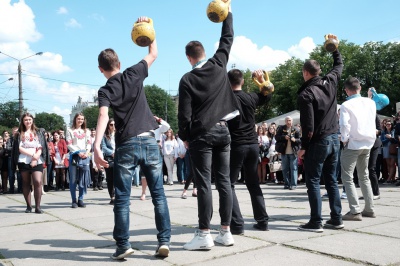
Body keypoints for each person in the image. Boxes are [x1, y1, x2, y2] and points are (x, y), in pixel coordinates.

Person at [94, 17, 171, 259]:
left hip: (126, 144)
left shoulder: (105, 90)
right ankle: (163, 242)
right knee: (158, 194)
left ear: (101, 69)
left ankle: (123, 246)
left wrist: (96, 145)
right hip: (149, 140)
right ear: (119, 62)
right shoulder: (134, 73)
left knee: (122, 199)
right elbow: (154, 52)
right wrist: (149, 28)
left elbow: (104, 116)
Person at [178, 2, 239, 250]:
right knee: (224, 181)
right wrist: (228, 11)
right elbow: (227, 37)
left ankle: (204, 234)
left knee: (204, 184)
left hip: (202, 134)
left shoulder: (187, 79)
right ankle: (225, 231)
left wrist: (185, 137)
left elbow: (184, 114)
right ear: (203, 52)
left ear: (189, 57)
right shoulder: (218, 64)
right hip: (224, 130)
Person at [297, 34, 343, 233]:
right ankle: (336, 217)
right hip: (335, 137)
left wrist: (303, 148)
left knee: (313, 180)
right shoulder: (330, 82)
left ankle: (316, 221)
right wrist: (335, 49)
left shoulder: (306, 94)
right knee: (331, 179)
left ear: (306, 73)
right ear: (319, 71)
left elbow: (308, 126)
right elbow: (339, 65)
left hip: (319, 141)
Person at [227, 68, 273, 234]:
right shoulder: (250, 97)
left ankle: (237, 224)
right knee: (253, 184)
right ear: (243, 82)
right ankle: (263, 221)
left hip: (236, 145)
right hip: (253, 145)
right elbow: (267, 95)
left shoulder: (226, 98)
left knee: (228, 184)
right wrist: (262, 81)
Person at [339, 78, 377, 221]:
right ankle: (369, 208)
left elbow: (344, 125)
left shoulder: (346, 105)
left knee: (347, 177)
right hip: (368, 142)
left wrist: (344, 139)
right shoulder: (371, 102)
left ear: (347, 90)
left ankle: (355, 211)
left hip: (353, 143)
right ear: (359, 88)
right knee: (364, 176)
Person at [11, 113, 49, 213]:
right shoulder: (19, 133)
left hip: (37, 159)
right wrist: (32, 156)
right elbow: (19, 148)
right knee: (26, 183)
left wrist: (36, 157)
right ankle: (28, 206)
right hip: (24, 160)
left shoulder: (38, 132)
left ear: (32, 120)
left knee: (37, 181)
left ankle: (38, 206)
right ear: (23, 122)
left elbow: (41, 146)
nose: (28, 121)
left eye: (29, 119)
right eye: (26, 120)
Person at [66, 113, 91, 208]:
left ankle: (81, 199)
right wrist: (77, 152)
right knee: (73, 179)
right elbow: (69, 143)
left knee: (82, 178)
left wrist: (87, 152)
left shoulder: (87, 131)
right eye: (78, 119)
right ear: (75, 119)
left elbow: (89, 143)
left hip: (85, 156)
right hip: (74, 156)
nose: (80, 120)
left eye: (82, 119)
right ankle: (73, 200)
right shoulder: (70, 131)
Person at [275, 116, 301, 190]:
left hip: (293, 152)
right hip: (284, 152)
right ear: (285, 121)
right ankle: (286, 184)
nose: (288, 122)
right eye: (287, 120)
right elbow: (276, 137)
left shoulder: (296, 129)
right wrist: (283, 137)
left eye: (289, 120)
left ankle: (293, 185)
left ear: (292, 121)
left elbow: (300, 140)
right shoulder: (281, 128)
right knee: (285, 169)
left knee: (294, 169)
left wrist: (294, 140)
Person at [101, 119, 116, 204]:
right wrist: (112, 153)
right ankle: (112, 196)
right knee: (110, 178)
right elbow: (104, 147)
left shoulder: (119, 134)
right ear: (108, 125)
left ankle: (120, 196)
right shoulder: (105, 136)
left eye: (114, 124)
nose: (113, 126)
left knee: (119, 178)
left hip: (119, 157)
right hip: (109, 158)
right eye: (111, 124)